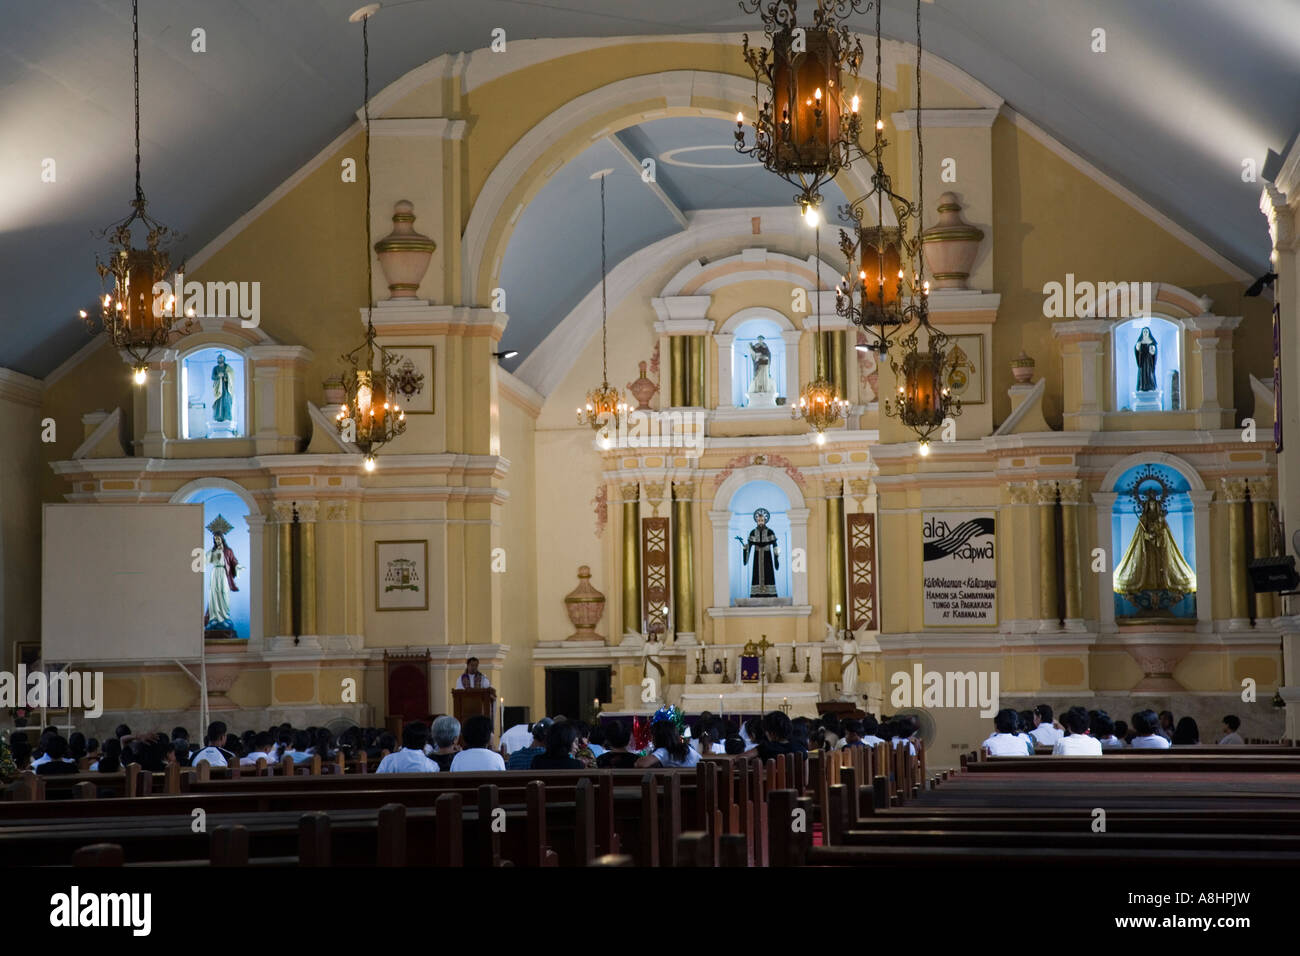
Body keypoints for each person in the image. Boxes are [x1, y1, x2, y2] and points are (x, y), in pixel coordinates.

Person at [635, 719, 701, 769]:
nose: (651, 739)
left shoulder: (664, 751)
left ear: (659, 737)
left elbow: (641, 764)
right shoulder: (686, 747)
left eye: (652, 735)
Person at [375, 724, 440, 773]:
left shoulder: (388, 761)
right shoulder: (432, 766)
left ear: (403, 739)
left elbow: (376, 783)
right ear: (425, 743)